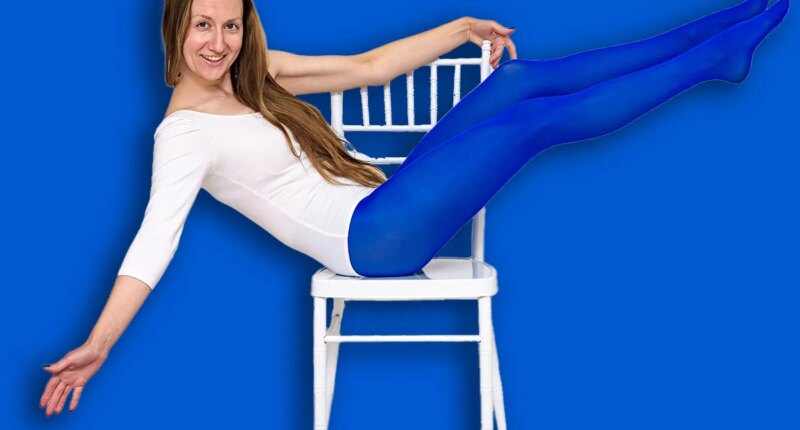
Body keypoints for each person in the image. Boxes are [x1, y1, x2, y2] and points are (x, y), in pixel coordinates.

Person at [39, 0, 788, 416]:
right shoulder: (183, 135)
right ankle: (710, 60)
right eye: (203, 25)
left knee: (513, 85)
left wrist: (460, 29)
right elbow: (153, 242)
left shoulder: (251, 75)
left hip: (385, 200)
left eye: (230, 25)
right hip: (374, 240)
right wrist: (100, 342)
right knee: (531, 124)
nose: (219, 42)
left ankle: (710, 31)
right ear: (174, 26)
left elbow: (366, 67)